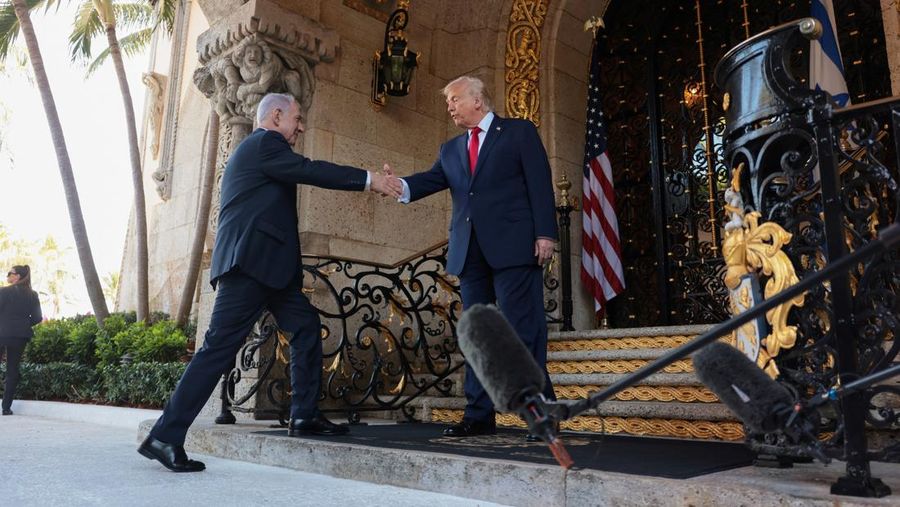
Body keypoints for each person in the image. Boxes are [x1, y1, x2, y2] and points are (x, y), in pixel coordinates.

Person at [138, 92, 403, 472]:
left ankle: (304, 414)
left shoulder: (261, 151)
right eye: (297, 119)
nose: (301, 127)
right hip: (249, 268)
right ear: (276, 116)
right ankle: (164, 436)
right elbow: (311, 170)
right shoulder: (264, 144)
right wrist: (369, 179)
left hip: (270, 272)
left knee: (306, 326)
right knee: (217, 350)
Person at [392, 76, 558, 440]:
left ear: (477, 99)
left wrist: (545, 233)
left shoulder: (518, 132)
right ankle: (479, 414)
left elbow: (539, 183)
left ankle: (541, 412)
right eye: (448, 101)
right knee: (476, 334)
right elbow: (431, 180)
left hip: (514, 246)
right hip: (470, 253)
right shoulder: (451, 149)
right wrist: (398, 186)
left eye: (454, 99)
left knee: (523, 331)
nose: (449, 106)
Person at [0, 265, 43, 416]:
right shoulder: (33, 295)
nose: (7, 276)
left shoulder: (3, 292)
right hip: (20, 336)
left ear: (17, 276)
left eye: (10, 273)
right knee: (12, 370)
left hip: (2, 333)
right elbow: (37, 317)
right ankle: (6, 408)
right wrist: (23, 324)